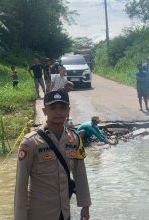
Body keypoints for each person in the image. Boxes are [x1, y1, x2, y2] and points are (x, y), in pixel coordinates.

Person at [14, 90, 91, 220]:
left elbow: (80, 174)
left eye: (62, 107)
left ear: (68, 110)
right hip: (39, 214)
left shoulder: (74, 139)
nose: (58, 112)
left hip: (64, 213)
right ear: (44, 111)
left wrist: (85, 205)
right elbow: (21, 185)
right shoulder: (31, 142)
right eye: (53, 108)